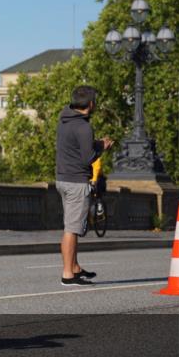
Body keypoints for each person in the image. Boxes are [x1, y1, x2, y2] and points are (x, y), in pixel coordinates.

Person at [55, 86, 113, 286]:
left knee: (71, 225)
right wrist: (102, 147)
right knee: (71, 229)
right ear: (90, 104)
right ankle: (67, 274)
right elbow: (87, 157)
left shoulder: (64, 120)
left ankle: (75, 267)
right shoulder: (84, 127)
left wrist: (94, 144)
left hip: (62, 179)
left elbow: (76, 147)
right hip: (76, 182)